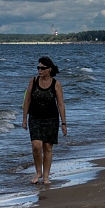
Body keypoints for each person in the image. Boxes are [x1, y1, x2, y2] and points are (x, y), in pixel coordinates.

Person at [22, 56, 67, 184]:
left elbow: (60, 104)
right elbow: (28, 100)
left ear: (49, 69)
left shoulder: (56, 84)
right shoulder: (34, 81)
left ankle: (46, 176)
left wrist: (64, 123)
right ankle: (38, 173)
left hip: (51, 119)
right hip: (35, 118)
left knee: (47, 148)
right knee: (36, 146)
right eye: (38, 68)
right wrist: (24, 118)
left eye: (42, 68)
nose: (39, 70)